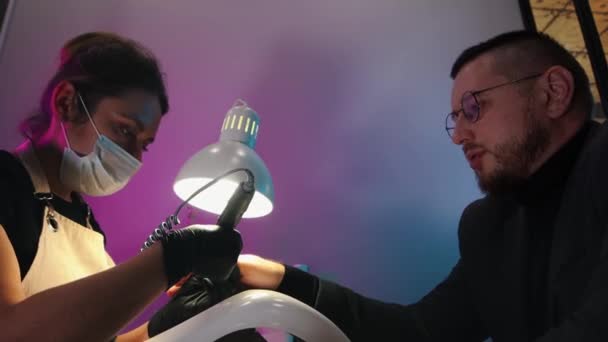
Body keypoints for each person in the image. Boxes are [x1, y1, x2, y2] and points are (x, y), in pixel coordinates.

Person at [235, 30, 608, 341]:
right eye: (456, 119)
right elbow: (420, 333)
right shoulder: (487, 225)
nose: (459, 136)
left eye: (474, 107)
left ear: (553, 92)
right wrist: (283, 281)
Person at [0, 32, 261, 341]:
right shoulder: (7, 186)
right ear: (67, 102)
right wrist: (172, 256)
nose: (134, 157)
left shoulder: (87, 227)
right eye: (125, 129)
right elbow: (11, 331)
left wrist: (164, 324)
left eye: (144, 145)